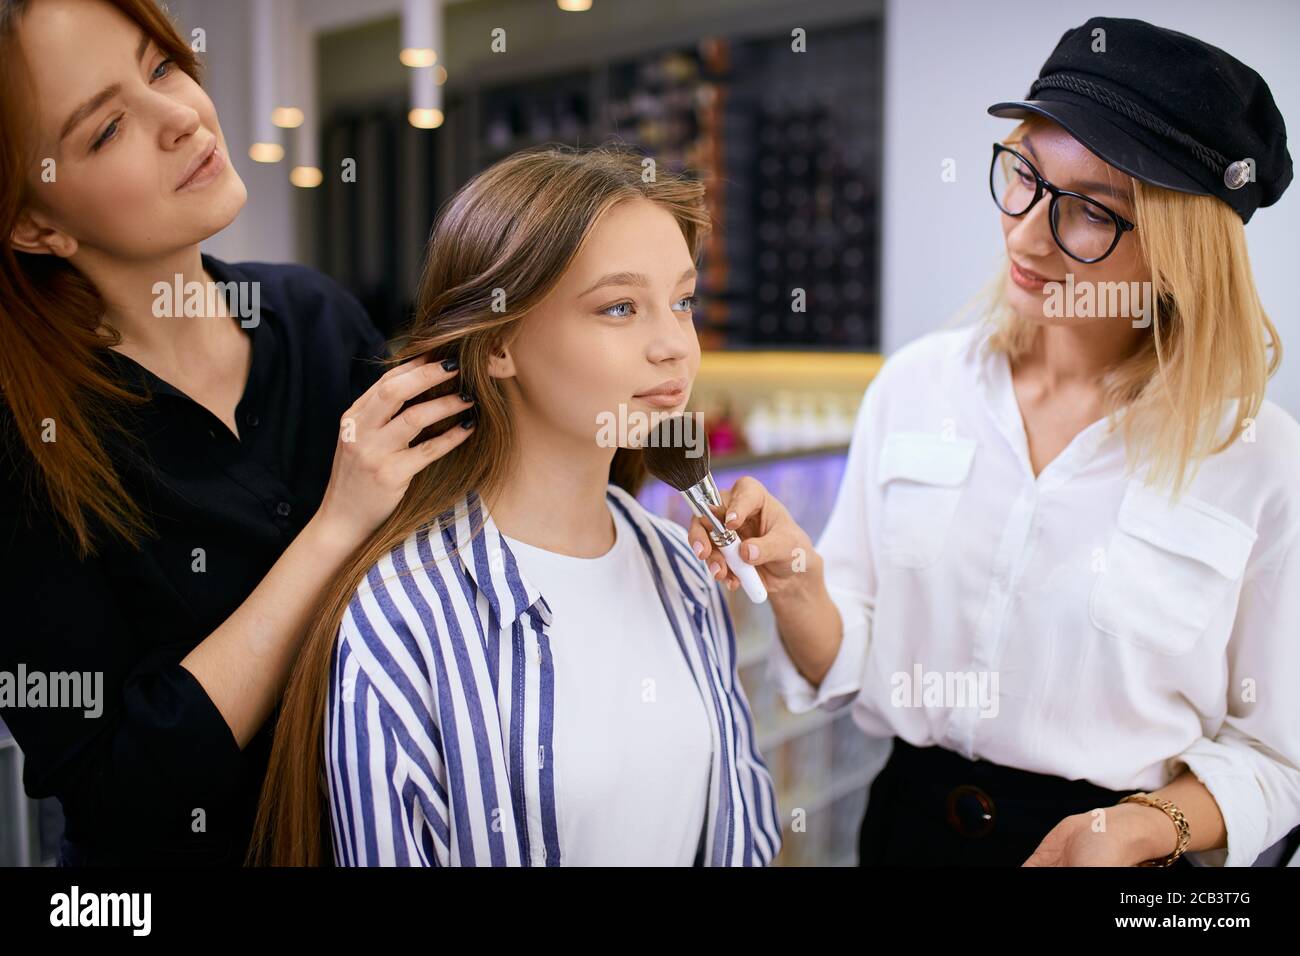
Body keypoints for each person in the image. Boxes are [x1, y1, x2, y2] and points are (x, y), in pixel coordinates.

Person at [690, 17, 1300, 866]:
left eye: (1089, 211)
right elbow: (857, 661)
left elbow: (1279, 760)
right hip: (906, 834)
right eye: (1025, 175)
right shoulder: (918, 387)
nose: (1026, 233)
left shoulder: (1262, 462)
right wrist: (797, 582)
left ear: (1181, 253)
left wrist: (1144, 825)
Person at [0, 0, 472, 865]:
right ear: (36, 223)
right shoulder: (29, 446)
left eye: (161, 67)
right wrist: (335, 525)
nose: (182, 119)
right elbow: (114, 791)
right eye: (107, 130)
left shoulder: (314, 315)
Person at [251, 145, 782, 867]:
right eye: (621, 307)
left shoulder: (686, 572)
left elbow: (744, 832)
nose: (673, 347)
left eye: (682, 301)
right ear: (500, 343)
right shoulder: (405, 617)